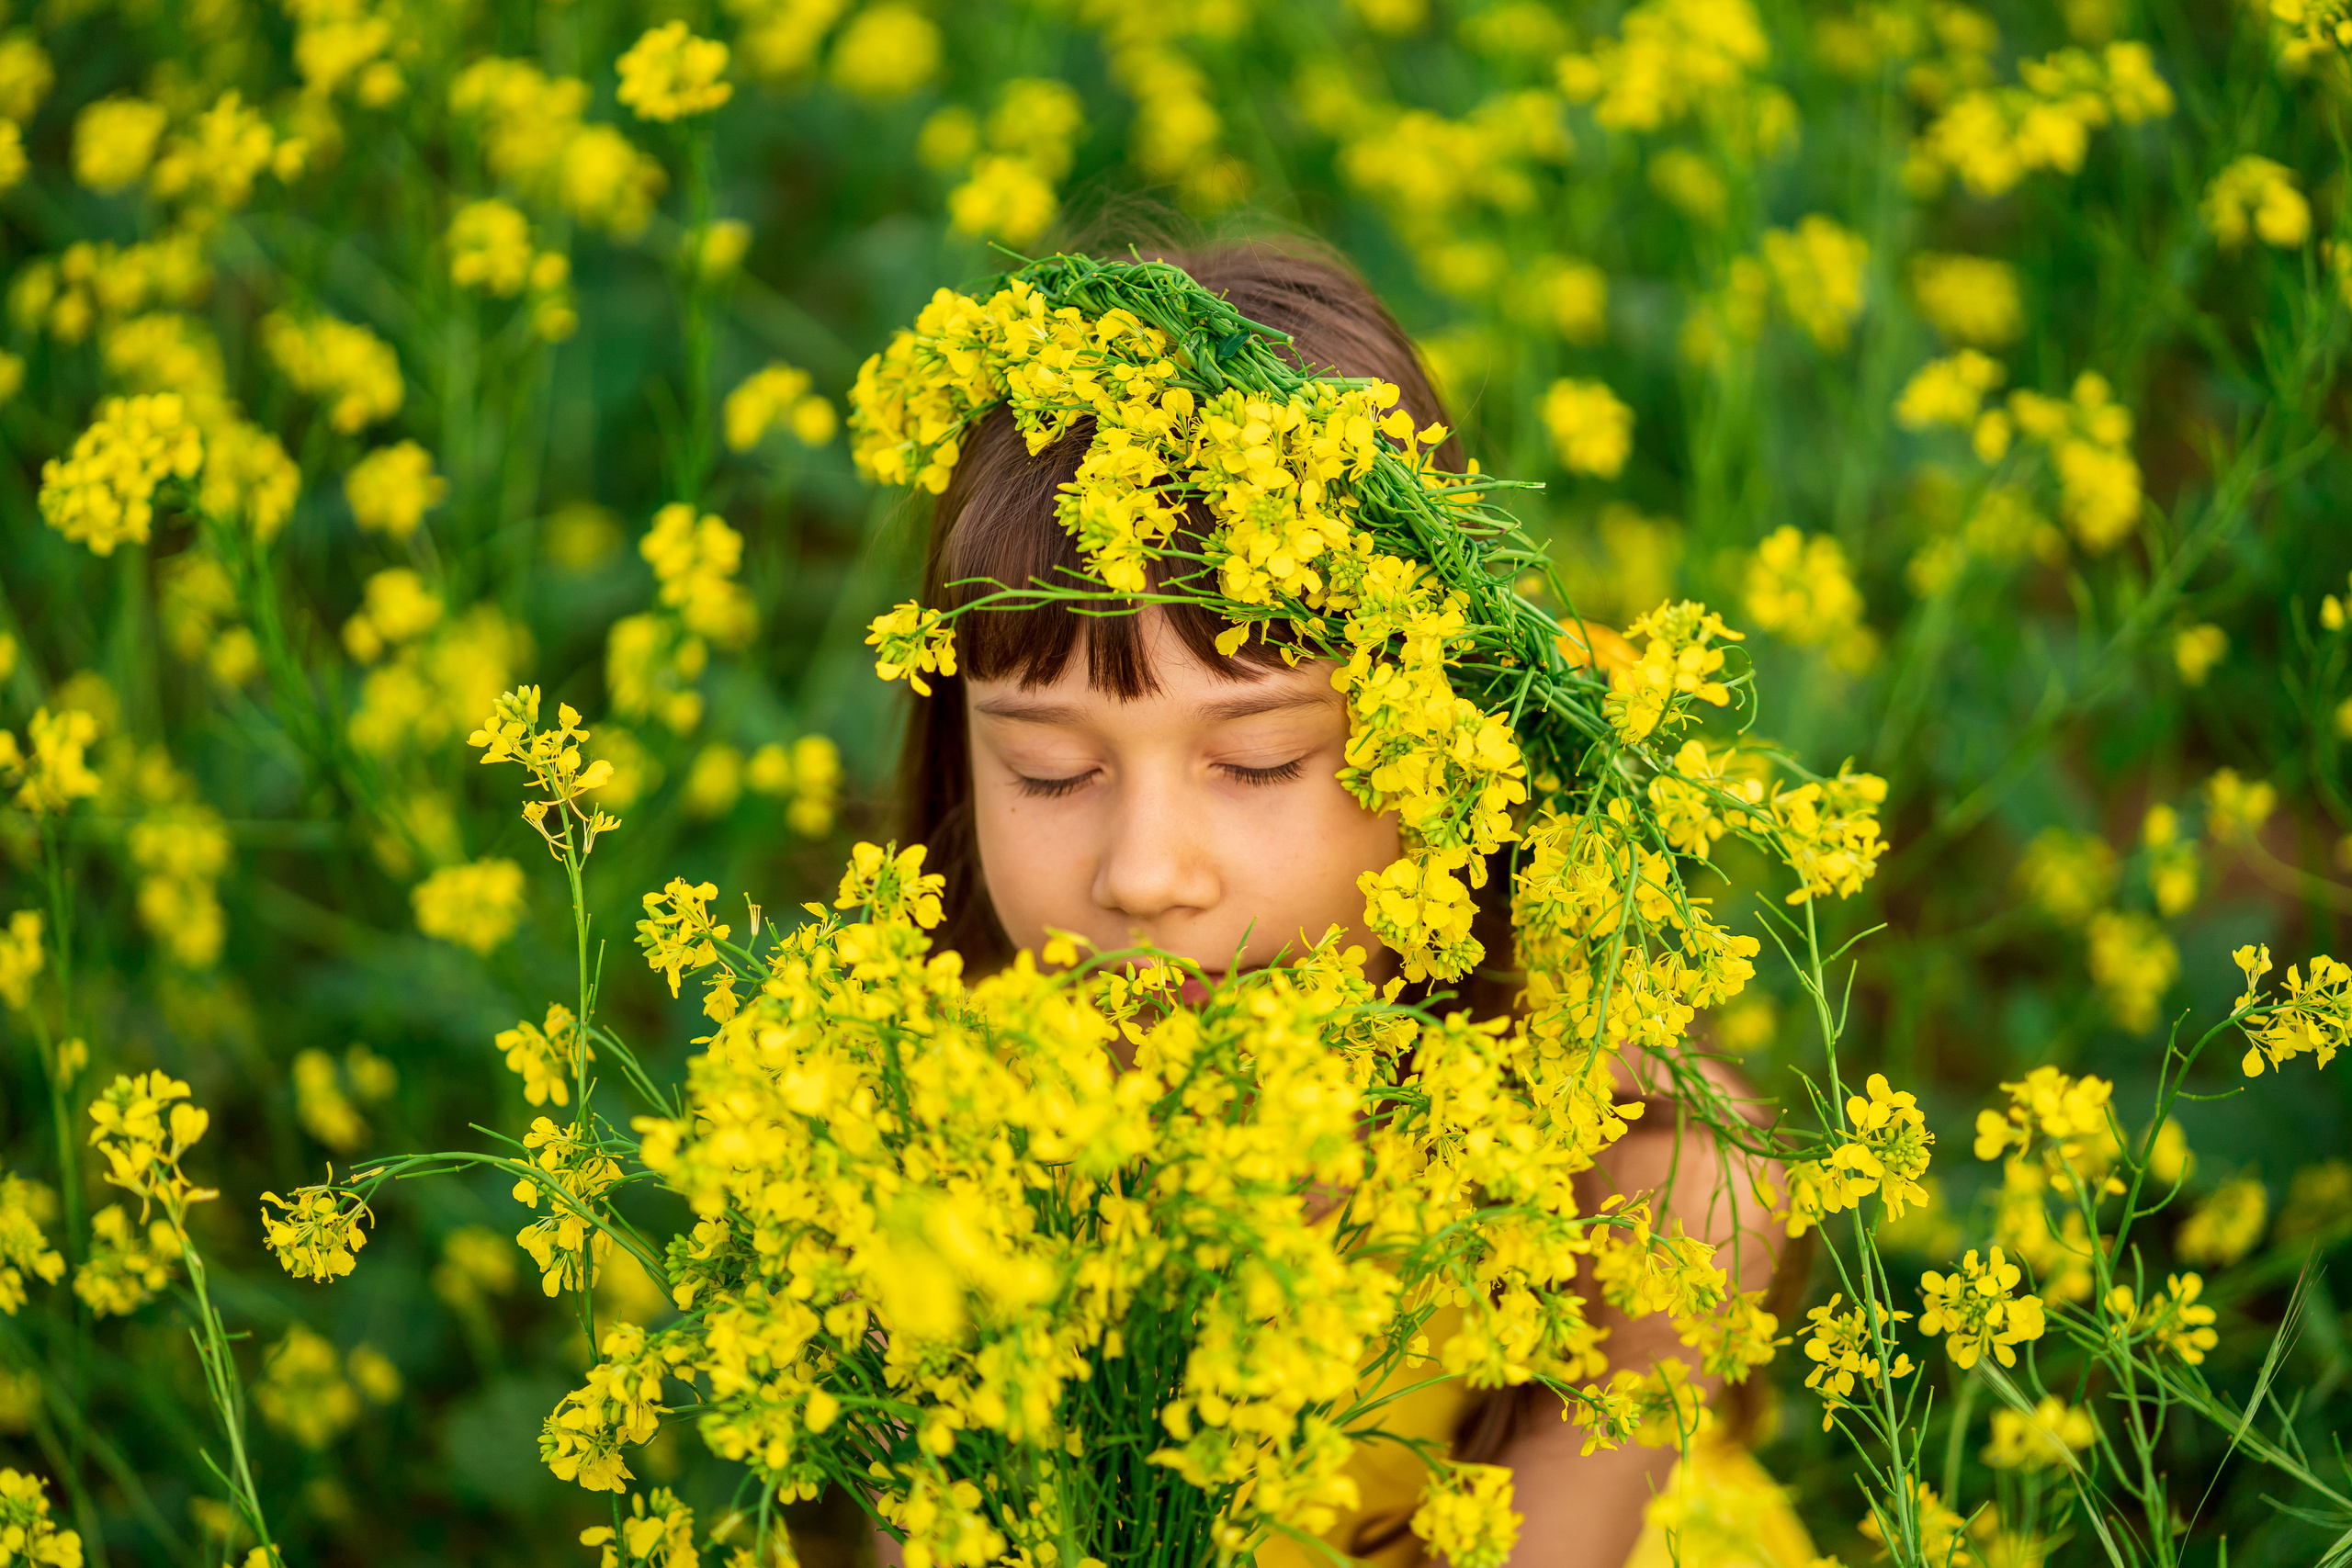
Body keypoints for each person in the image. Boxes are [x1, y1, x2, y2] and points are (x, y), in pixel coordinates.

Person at [888, 238, 1817, 1568]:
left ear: (1445, 747)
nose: (1143, 876)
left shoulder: (1648, 1191)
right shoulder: (908, 1131)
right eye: (1051, 770)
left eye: (1260, 760)